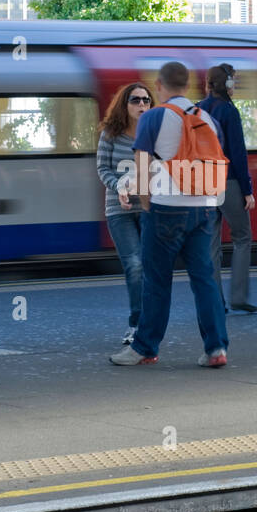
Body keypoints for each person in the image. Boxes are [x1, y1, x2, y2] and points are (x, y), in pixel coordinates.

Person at [109, 61, 229, 368]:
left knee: (157, 281)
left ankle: (145, 348)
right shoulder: (207, 119)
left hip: (165, 209)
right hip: (204, 208)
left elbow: (141, 166)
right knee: (205, 280)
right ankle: (216, 348)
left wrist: (147, 205)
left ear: (159, 86)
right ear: (188, 87)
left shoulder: (153, 117)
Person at [197, 63, 257, 313]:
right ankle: (239, 296)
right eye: (234, 80)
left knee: (211, 242)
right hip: (229, 181)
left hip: (205, 183)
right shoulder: (229, 111)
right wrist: (248, 189)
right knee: (242, 237)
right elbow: (238, 153)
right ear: (228, 84)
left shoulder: (198, 109)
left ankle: (215, 301)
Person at [96, 82, 154, 345]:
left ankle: (150, 323)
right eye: (135, 100)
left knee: (149, 267)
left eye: (146, 100)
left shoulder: (154, 132)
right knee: (134, 265)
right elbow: (103, 169)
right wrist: (119, 185)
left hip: (149, 207)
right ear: (124, 104)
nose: (141, 105)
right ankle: (137, 325)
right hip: (118, 210)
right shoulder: (110, 133)